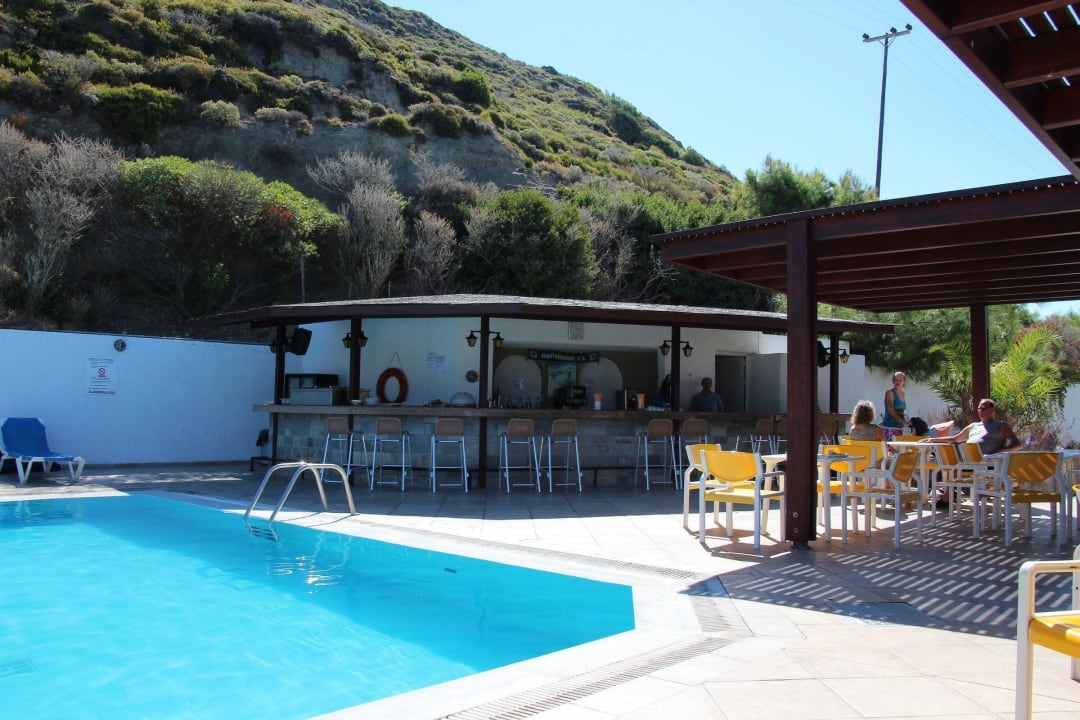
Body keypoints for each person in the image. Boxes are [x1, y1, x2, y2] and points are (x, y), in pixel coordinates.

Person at [921, 398, 1022, 455]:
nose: (981, 411)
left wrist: (1000, 451)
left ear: (992, 410)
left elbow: (1017, 444)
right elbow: (954, 438)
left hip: (987, 463)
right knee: (945, 451)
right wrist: (932, 439)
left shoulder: (1001, 426)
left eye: (984, 409)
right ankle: (945, 484)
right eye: (979, 409)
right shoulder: (974, 426)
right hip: (967, 461)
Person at [882, 371, 908, 440]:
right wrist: (904, 422)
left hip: (900, 428)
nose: (898, 382)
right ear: (893, 381)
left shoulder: (903, 394)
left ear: (904, 382)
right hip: (890, 427)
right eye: (896, 380)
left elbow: (902, 411)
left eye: (900, 380)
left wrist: (906, 422)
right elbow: (891, 411)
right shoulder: (890, 393)